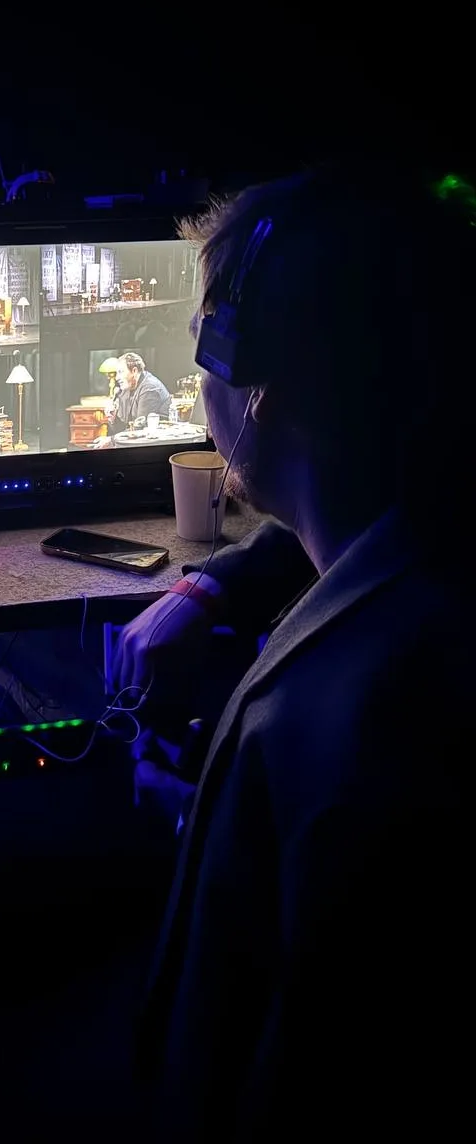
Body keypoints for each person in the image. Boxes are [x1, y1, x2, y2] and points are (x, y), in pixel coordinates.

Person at [114, 164, 474, 1141]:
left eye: (203, 344)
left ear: (258, 387)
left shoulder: (352, 730)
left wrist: (213, 819)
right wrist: (210, 582)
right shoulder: (428, 538)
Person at [92, 351, 172, 447]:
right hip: (135, 443)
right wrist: (113, 418)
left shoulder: (150, 389)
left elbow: (140, 429)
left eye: (121, 372)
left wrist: (111, 440)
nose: (117, 378)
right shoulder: (125, 389)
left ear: (134, 371)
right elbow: (122, 428)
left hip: (156, 445)